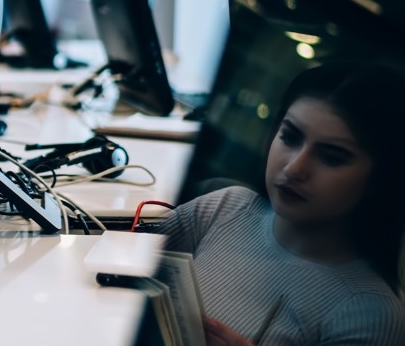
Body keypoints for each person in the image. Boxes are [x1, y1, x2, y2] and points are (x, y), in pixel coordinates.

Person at [160, 62, 405, 345]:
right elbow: (112, 276)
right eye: (290, 137)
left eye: (331, 157)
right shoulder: (225, 207)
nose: (294, 168)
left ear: (381, 180)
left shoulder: (371, 316)